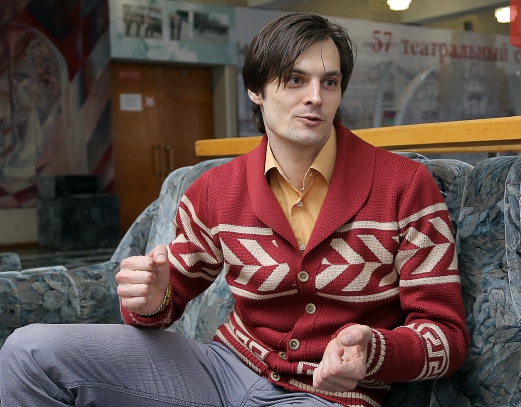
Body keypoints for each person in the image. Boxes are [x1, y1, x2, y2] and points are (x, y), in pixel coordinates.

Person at [0, 12, 469, 407]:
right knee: (29, 351)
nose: (315, 97)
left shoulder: (405, 186)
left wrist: (375, 351)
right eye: (295, 80)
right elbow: (166, 301)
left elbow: (446, 337)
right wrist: (151, 299)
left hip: (327, 396)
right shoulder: (215, 190)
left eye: (329, 82)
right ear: (255, 90)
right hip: (221, 368)